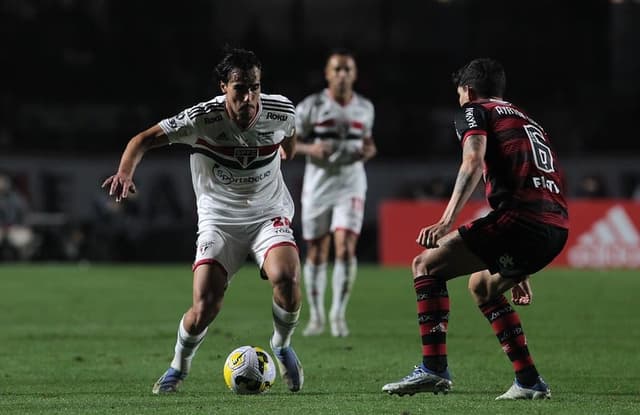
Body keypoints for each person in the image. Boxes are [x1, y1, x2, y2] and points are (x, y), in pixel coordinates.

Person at [102, 47, 304, 394]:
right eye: (240, 88)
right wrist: (124, 171)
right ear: (224, 87)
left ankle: (282, 345)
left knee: (286, 277)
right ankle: (178, 367)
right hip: (219, 221)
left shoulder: (280, 109)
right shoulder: (201, 118)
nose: (249, 96)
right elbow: (143, 140)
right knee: (205, 305)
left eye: (254, 87)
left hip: (267, 213)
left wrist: (289, 150)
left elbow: (290, 135)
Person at [381, 58, 569, 400]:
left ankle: (433, 368)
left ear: (467, 91)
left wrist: (446, 220)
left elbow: (472, 160)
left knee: (425, 265)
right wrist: (514, 259)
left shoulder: (475, 111)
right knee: (483, 286)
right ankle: (528, 380)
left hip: (522, 220)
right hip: (555, 227)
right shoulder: (528, 120)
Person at [294, 48, 377, 337]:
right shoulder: (311, 105)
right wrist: (310, 148)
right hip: (318, 184)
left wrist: (368, 151)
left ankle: (338, 315)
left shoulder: (365, 107)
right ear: (328, 74)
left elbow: (368, 143)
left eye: (347, 70)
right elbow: (287, 144)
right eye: (337, 69)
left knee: (345, 246)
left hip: (351, 182)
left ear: (354, 75)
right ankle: (316, 317)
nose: (342, 75)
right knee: (318, 249)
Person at [0, 171, 37, 260]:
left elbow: (25, 217)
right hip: (1, 229)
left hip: (16, 229)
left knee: (23, 238)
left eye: (2, 182)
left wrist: (20, 226)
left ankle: (22, 261)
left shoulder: (17, 199)